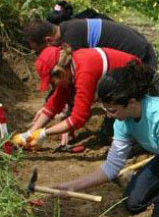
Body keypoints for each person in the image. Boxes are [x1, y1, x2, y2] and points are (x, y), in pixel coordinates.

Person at [53, 62, 159, 214]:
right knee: (133, 202)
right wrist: (73, 186)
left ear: (131, 103)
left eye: (112, 110)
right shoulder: (122, 121)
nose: (109, 115)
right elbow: (111, 167)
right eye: (106, 109)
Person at [11, 45, 139, 148]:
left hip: (139, 87)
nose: (52, 86)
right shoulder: (71, 67)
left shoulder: (84, 72)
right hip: (122, 88)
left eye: (51, 82)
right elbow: (54, 104)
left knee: (118, 135)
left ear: (60, 73)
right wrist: (30, 134)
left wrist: (44, 133)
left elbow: (78, 119)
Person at [24, 18, 158, 71]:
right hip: (141, 49)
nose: (40, 55)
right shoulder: (67, 27)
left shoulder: (72, 40)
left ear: (48, 40)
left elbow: (72, 80)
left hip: (144, 58)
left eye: (39, 51)